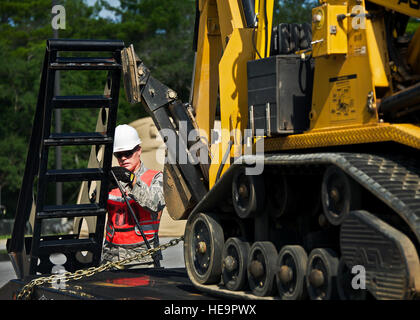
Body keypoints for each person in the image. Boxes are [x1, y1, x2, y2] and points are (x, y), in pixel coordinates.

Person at [101, 124, 165, 268]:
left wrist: (133, 181)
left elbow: (156, 204)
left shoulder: (155, 178)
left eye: (128, 153)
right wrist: (101, 192)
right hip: (111, 257)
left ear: (139, 150)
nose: (123, 158)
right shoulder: (111, 179)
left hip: (142, 259)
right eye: (119, 155)